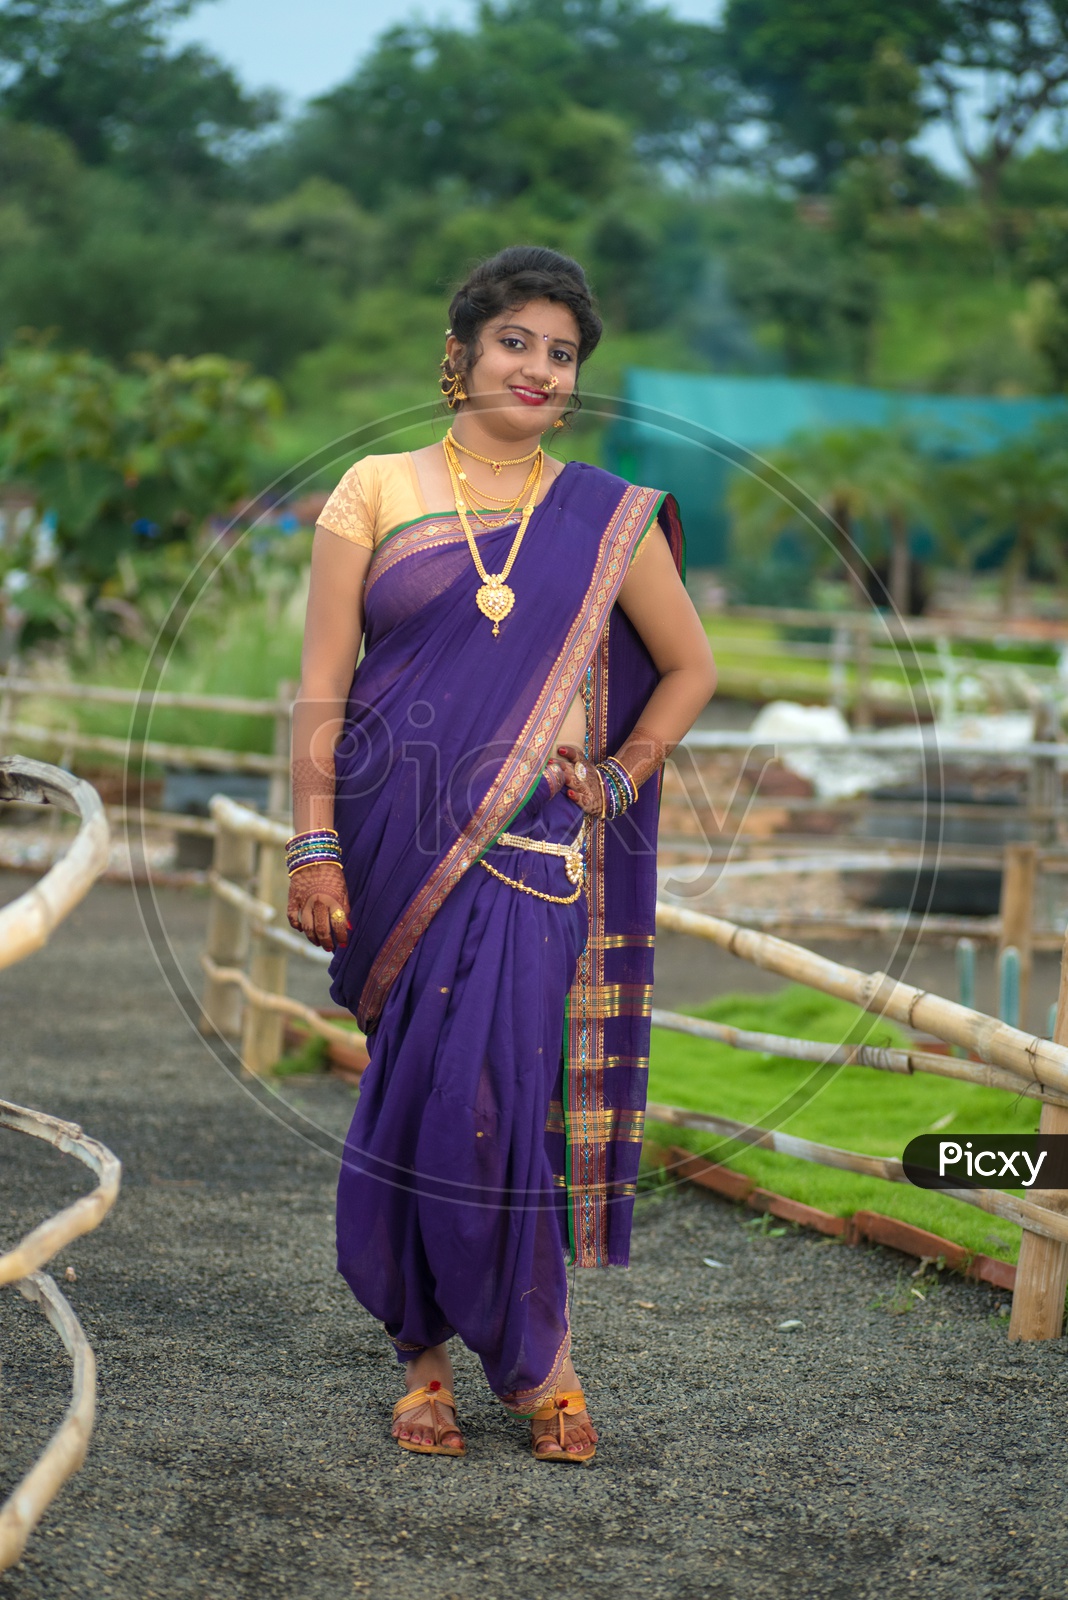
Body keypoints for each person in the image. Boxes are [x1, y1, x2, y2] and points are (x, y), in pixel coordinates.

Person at [287, 246, 715, 1462]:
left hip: (532, 851)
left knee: (501, 1102)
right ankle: (420, 1359)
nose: (538, 368)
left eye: (562, 353)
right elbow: (322, 684)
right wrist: (314, 842)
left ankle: (543, 1363)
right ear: (462, 353)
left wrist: (619, 776)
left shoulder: (603, 518)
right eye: (516, 342)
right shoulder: (374, 487)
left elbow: (691, 670)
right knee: (415, 1092)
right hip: (385, 834)